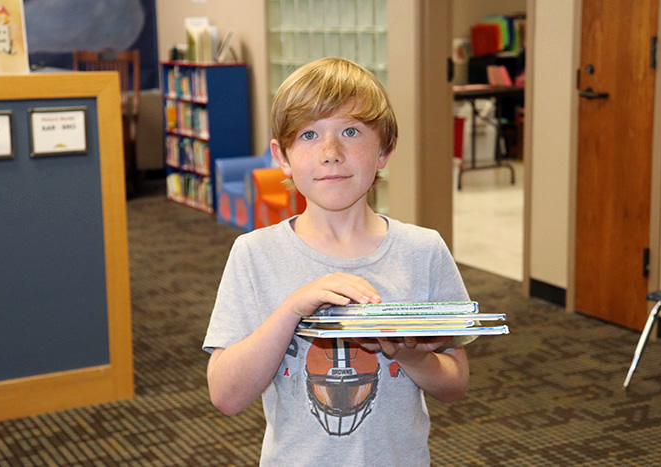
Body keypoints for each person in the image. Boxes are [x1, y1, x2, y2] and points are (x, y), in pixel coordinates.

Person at [203, 57, 474, 466]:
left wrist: (409, 354)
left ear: (384, 148)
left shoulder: (424, 250)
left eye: (350, 131)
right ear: (283, 156)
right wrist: (293, 308)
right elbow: (226, 395)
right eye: (309, 134)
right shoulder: (255, 254)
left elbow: (455, 385)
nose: (331, 153)